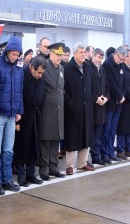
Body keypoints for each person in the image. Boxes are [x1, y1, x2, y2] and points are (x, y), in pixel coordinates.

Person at [0, 36, 23, 195]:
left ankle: (7, 180)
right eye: (14, 54)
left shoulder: (19, 67)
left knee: (8, 150)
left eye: (18, 55)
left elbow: (20, 91)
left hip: (12, 114)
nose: (16, 57)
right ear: (8, 51)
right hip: (0, 114)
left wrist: (19, 111)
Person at [14, 56, 47, 187]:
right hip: (24, 115)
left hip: (36, 115)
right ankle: (21, 175)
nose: (40, 75)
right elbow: (19, 96)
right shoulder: (22, 75)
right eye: (38, 72)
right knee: (22, 146)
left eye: (42, 73)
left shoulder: (41, 78)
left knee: (34, 145)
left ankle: (31, 173)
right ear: (32, 67)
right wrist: (18, 120)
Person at [64, 42, 94, 175]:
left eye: (84, 52)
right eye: (80, 52)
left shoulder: (88, 67)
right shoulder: (68, 68)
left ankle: (83, 162)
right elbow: (64, 90)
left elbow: (91, 86)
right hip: (73, 109)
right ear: (74, 53)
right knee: (72, 136)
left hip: (87, 107)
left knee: (85, 135)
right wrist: (71, 104)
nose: (83, 54)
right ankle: (69, 165)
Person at [39, 42, 65, 180]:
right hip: (47, 108)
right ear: (50, 54)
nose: (59, 57)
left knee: (56, 139)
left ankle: (54, 167)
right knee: (46, 141)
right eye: (57, 54)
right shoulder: (45, 66)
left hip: (58, 108)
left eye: (61, 55)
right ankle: (44, 169)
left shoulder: (61, 69)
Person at [101, 46, 127, 163]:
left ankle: (111, 152)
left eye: (122, 60)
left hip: (118, 103)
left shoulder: (120, 65)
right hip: (110, 103)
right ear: (115, 54)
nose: (121, 61)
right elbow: (110, 83)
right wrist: (119, 96)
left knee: (113, 130)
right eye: (120, 59)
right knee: (106, 130)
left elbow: (123, 82)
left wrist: (123, 96)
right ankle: (105, 153)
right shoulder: (107, 64)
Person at [89, 48, 109, 165]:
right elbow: (88, 88)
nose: (100, 60)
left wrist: (106, 98)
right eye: (98, 57)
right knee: (92, 134)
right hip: (93, 106)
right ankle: (92, 157)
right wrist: (96, 99)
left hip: (102, 106)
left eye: (102, 58)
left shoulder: (102, 69)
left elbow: (107, 86)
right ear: (93, 56)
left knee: (99, 134)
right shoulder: (88, 68)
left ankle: (97, 156)